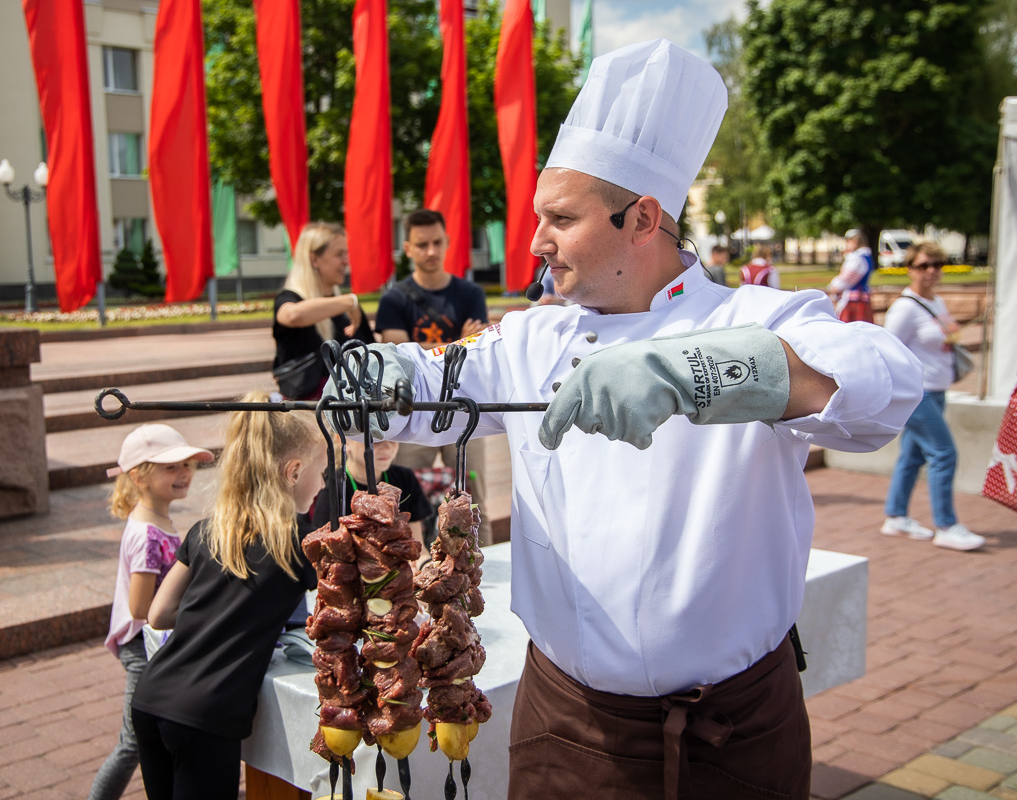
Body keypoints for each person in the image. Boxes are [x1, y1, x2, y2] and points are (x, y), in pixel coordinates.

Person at [334, 39, 922, 799]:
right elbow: (442, 386)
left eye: (560, 218)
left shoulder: (758, 315)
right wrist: (376, 375)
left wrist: (697, 372)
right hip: (569, 724)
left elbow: (885, 387)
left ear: (644, 218)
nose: (536, 241)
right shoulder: (534, 336)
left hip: (735, 729)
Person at [131, 393, 323, 800]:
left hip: (151, 698)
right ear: (293, 471)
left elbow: (159, 614)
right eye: (320, 473)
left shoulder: (204, 530)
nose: (323, 484)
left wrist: (214, 613)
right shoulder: (300, 545)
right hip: (207, 715)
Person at [88, 424, 214, 800]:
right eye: (171, 468)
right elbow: (141, 607)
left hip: (150, 640)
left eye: (188, 465)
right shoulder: (147, 534)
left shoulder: (155, 521)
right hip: (141, 644)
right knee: (132, 741)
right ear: (139, 477)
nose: (184, 474)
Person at [375, 208, 493, 544]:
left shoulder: (470, 293)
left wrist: (425, 346)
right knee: (408, 491)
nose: (431, 251)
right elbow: (397, 349)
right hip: (415, 409)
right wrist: (456, 341)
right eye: (422, 244)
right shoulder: (394, 298)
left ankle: (481, 560)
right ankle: (414, 560)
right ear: (408, 248)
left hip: (465, 403)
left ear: (447, 243)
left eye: (437, 242)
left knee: (473, 489)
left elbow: (478, 346)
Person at [881, 243, 986, 551]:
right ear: (910, 269)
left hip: (938, 390)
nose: (931, 271)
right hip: (917, 394)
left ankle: (896, 516)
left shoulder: (936, 301)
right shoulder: (905, 308)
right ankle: (946, 525)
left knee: (912, 457)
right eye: (924, 265)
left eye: (937, 264)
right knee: (944, 453)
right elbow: (887, 352)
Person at [272, 221, 374, 400]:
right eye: (339, 254)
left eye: (346, 253)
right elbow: (292, 315)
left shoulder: (347, 306)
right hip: (307, 417)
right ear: (314, 259)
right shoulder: (290, 298)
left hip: (350, 414)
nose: (346, 261)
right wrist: (348, 301)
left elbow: (372, 352)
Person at [828, 228, 876, 322]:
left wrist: (834, 286)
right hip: (862, 297)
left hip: (853, 300)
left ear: (855, 241)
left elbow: (846, 279)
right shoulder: (866, 256)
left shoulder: (857, 258)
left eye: (848, 241)